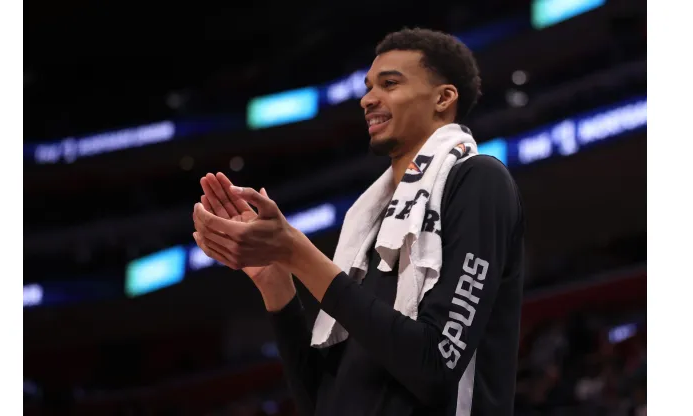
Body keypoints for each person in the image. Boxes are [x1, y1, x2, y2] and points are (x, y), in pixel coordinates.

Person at [193, 28, 525, 416]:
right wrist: (276, 280)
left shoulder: (479, 181)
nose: (368, 99)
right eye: (368, 87)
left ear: (443, 98)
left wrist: (298, 253)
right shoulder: (368, 225)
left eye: (389, 84)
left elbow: (436, 365)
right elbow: (321, 402)